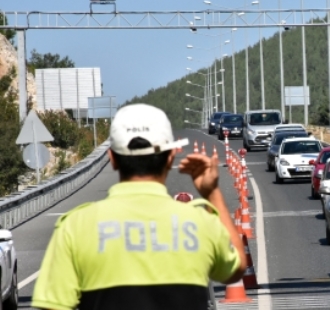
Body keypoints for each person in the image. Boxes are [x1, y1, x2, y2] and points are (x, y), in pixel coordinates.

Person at [31, 104, 246, 310]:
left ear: (112, 159)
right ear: (171, 158)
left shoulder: (75, 227)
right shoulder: (200, 223)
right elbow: (236, 269)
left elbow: (53, 304)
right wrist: (212, 193)